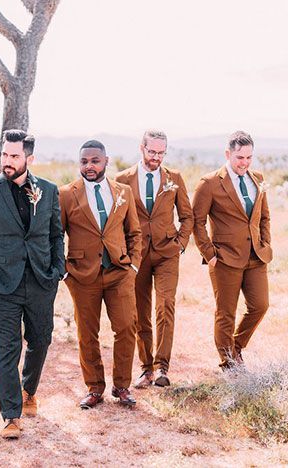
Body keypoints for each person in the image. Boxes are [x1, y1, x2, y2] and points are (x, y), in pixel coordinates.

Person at [0, 129, 65, 439]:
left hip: (41, 280)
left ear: (29, 158)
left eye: (14, 156)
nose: (7, 161)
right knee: (6, 348)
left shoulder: (48, 190)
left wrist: (58, 269)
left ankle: (29, 391)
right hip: (2, 284)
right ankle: (10, 415)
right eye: (4, 155)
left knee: (41, 339)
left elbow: (55, 234)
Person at [59, 140, 141, 409]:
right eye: (84, 161)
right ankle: (94, 388)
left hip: (119, 271)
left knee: (127, 327)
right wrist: (64, 271)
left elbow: (134, 232)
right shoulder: (66, 194)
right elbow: (54, 235)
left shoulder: (123, 191)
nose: (89, 166)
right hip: (82, 276)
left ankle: (122, 386)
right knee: (87, 333)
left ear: (106, 160)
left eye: (95, 160)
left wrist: (134, 267)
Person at [115, 130, 193, 387]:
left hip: (167, 253)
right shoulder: (122, 179)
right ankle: (146, 367)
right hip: (136, 256)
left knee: (165, 305)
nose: (156, 157)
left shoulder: (175, 178)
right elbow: (117, 220)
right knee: (139, 311)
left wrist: (180, 244)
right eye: (152, 152)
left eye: (161, 153)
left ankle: (162, 367)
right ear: (142, 148)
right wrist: (124, 253)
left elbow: (187, 216)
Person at [191, 131, 272, 369]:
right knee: (226, 313)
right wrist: (210, 254)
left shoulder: (257, 178)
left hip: (256, 257)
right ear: (228, 154)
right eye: (239, 157)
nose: (244, 162)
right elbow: (197, 221)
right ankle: (228, 362)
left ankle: (235, 347)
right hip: (225, 259)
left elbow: (264, 216)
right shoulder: (210, 183)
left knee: (260, 306)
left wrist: (265, 243)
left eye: (248, 157)